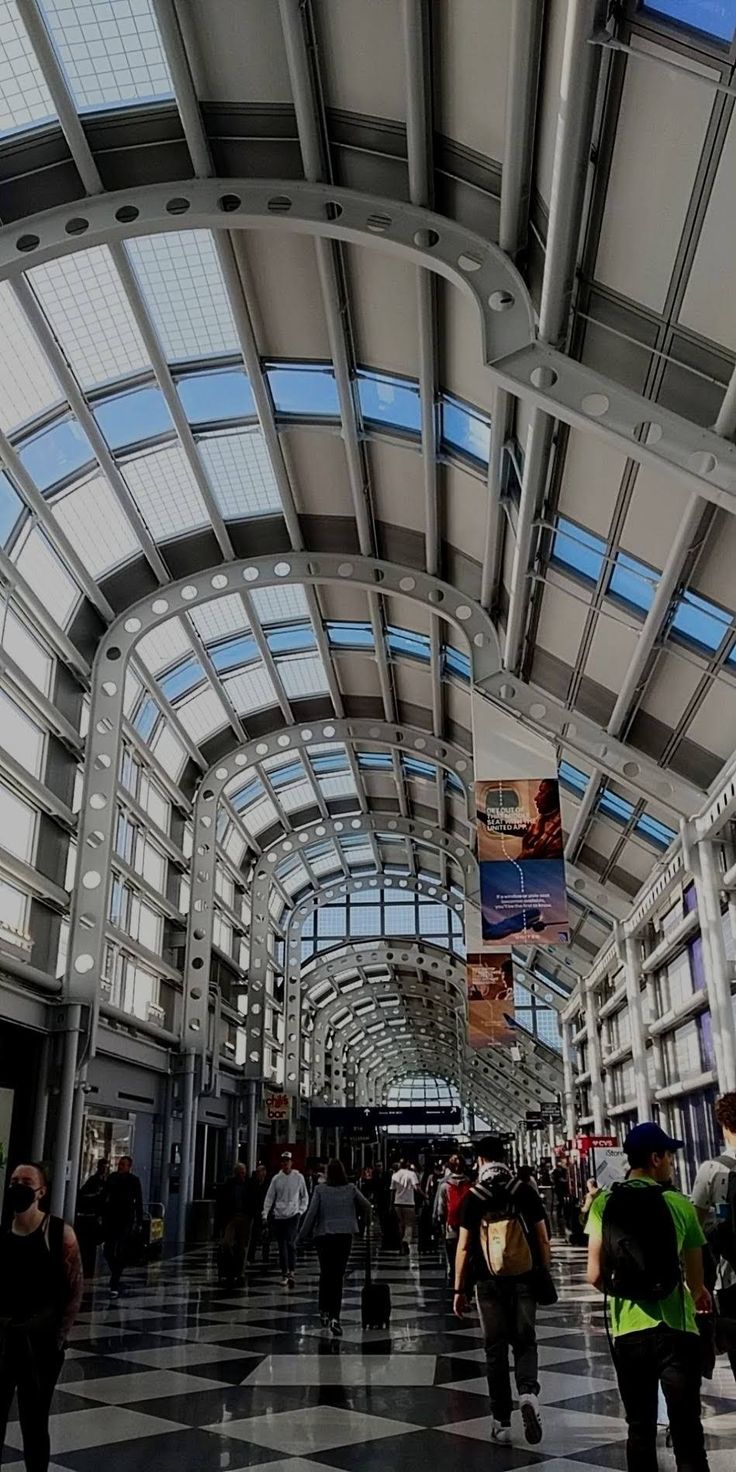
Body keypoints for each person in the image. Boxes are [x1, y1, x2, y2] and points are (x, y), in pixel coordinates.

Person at [586, 1122, 711, 1472]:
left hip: (628, 1332)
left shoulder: (603, 1204)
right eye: (669, 1155)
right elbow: (696, 1281)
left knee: (639, 1429)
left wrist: (627, 1290)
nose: (671, 1161)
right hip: (676, 1330)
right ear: (655, 1158)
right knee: (687, 1429)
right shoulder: (677, 1203)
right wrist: (697, 1293)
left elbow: (594, 1275)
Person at [454, 1135, 550, 1446]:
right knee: (525, 1341)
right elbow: (543, 1238)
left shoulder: (474, 1196)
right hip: (524, 1277)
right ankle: (527, 1393)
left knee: (494, 1350)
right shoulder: (523, 1190)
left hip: (487, 1281)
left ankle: (501, 1421)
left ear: (480, 1160)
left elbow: (464, 1246)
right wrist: (543, 1273)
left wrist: (459, 1289)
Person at [0, 1163, 83, 1471]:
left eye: (26, 1181)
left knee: (33, 1423)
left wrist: (58, 1338)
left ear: (41, 1191)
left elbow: (74, 1291)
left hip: (40, 1345)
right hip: (5, 1340)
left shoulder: (60, 1232)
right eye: (14, 1181)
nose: (18, 1186)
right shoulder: (4, 1232)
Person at [297, 1159, 370, 1335]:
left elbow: (311, 1214)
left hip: (324, 1235)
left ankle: (324, 1310)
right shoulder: (351, 1189)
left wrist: (301, 1236)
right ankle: (335, 1317)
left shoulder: (320, 1190)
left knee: (326, 1274)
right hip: (344, 1236)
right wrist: (359, 1222)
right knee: (338, 1276)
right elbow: (367, 1205)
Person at [692, 1090, 736, 1380]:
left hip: (731, 1278)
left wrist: (696, 1285)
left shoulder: (712, 1169)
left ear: (723, 1124)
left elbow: (692, 1230)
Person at [262, 1152, 308, 1287]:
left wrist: (301, 1211)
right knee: (281, 1245)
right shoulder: (276, 1179)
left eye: (287, 1161)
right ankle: (284, 1273)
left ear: (291, 1163)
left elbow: (304, 1196)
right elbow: (269, 1197)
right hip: (279, 1216)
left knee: (290, 1243)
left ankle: (291, 1271)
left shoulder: (299, 1177)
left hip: (293, 1215)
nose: (285, 1164)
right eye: (283, 1161)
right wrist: (265, 1214)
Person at [102, 1155, 143, 1300]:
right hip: (111, 1217)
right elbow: (104, 1196)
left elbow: (139, 1200)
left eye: (123, 1164)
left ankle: (115, 1281)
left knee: (120, 1248)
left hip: (126, 1218)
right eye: (120, 1164)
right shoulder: (112, 1178)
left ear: (129, 1166)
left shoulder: (133, 1181)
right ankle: (116, 1271)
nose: (120, 1166)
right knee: (108, 1249)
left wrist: (139, 1220)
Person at [216, 1161, 255, 1284]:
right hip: (231, 1217)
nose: (242, 1175)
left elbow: (254, 1200)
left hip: (245, 1217)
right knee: (227, 1243)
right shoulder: (229, 1184)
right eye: (239, 1173)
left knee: (242, 1246)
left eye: (243, 1173)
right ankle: (229, 1267)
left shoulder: (249, 1184)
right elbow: (222, 1202)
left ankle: (240, 1271)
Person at [435, 1154, 471, 1282]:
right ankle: (465, 1272)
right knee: (466, 1247)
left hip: (451, 1223)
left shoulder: (445, 1184)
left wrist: (439, 1221)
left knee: (451, 1249)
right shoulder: (469, 1182)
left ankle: (452, 1272)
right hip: (468, 1222)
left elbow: (441, 1207)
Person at [75, 1157, 109, 1276]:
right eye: (103, 1167)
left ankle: (89, 1268)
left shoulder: (105, 1182)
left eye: (106, 1167)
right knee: (88, 1246)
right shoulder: (93, 1181)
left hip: (97, 1216)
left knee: (92, 1246)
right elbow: (84, 1195)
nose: (104, 1169)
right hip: (89, 1217)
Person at [390, 1159, 422, 1252]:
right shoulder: (412, 1174)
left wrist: (391, 1204)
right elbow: (416, 1187)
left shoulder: (395, 1175)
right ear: (408, 1164)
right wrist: (425, 1195)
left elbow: (392, 1190)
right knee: (409, 1224)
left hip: (397, 1203)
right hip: (409, 1203)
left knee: (400, 1224)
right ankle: (406, 1240)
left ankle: (401, 1243)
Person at [247, 1163, 271, 1266]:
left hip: (266, 1212)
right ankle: (250, 1257)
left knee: (266, 1236)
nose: (258, 1174)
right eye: (257, 1172)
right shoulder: (253, 1183)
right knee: (254, 1236)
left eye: (260, 1172)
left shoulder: (269, 1184)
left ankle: (265, 1256)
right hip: (256, 1213)